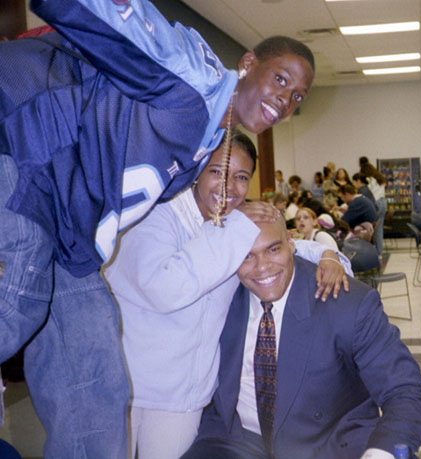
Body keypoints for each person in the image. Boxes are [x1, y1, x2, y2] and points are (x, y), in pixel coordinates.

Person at [0, 0, 315, 455]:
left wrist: (325, 252)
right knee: (16, 306)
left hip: (66, 229)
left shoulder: (201, 145)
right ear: (248, 64)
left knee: (98, 383)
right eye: (281, 80)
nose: (284, 100)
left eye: (297, 96)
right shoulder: (194, 74)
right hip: (23, 158)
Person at [104, 129, 351, 459]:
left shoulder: (236, 222)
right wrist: (236, 228)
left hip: (185, 397)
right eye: (217, 172)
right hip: (129, 385)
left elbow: (286, 246)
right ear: (197, 171)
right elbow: (164, 288)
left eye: (240, 177)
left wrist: (328, 252)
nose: (227, 187)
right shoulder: (158, 213)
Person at [181, 214, 421, 459]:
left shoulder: (348, 304)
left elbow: (408, 392)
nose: (262, 268)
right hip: (238, 442)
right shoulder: (217, 299)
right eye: (246, 256)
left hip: (330, 445)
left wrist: (379, 454)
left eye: (273, 250)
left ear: (292, 243)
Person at [359, 157, 388, 255]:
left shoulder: (368, 179)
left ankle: (370, 252)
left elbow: (367, 193)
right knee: (379, 229)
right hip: (383, 202)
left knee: (370, 228)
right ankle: (379, 252)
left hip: (375, 203)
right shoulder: (379, 178)